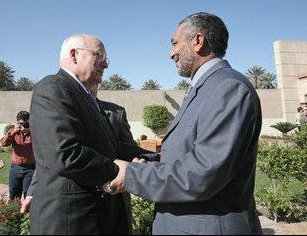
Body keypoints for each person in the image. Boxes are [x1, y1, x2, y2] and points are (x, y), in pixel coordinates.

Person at [110, 12, 263, 235]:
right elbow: (189, 154)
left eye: (175, 44)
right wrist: (150, 162)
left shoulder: (228, 88)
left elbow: (204, 172)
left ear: (198, 41)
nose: (172, 53)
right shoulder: (207, 88)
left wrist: (132, 175)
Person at [28, 34, 152, 235]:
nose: (106, 64)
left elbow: (112, 147)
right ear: (74, 55)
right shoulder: (53, 88)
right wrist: (115, 171)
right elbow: (66, 153)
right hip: (70, 223)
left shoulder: (85, 97)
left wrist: (152, 158)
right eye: (99, 55)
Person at [20, 84, 139, 234]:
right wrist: (32, 192)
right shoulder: (66, 108)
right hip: (77, 204)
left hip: (113, 198)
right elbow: (52, 154)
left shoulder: (116, 112)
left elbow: (128, 149)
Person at [0, 110, 35, 200]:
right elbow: (3, 143)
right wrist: (13, 132)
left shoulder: (35, 131)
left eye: (26, 123)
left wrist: (31, 130)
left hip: (31, 169)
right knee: (14, 195)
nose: (23, 125)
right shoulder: (12, 131)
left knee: (29, 196)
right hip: (16, 168)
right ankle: (14, 213)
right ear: (17, 122)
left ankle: (29, 214)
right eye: (21, 123)